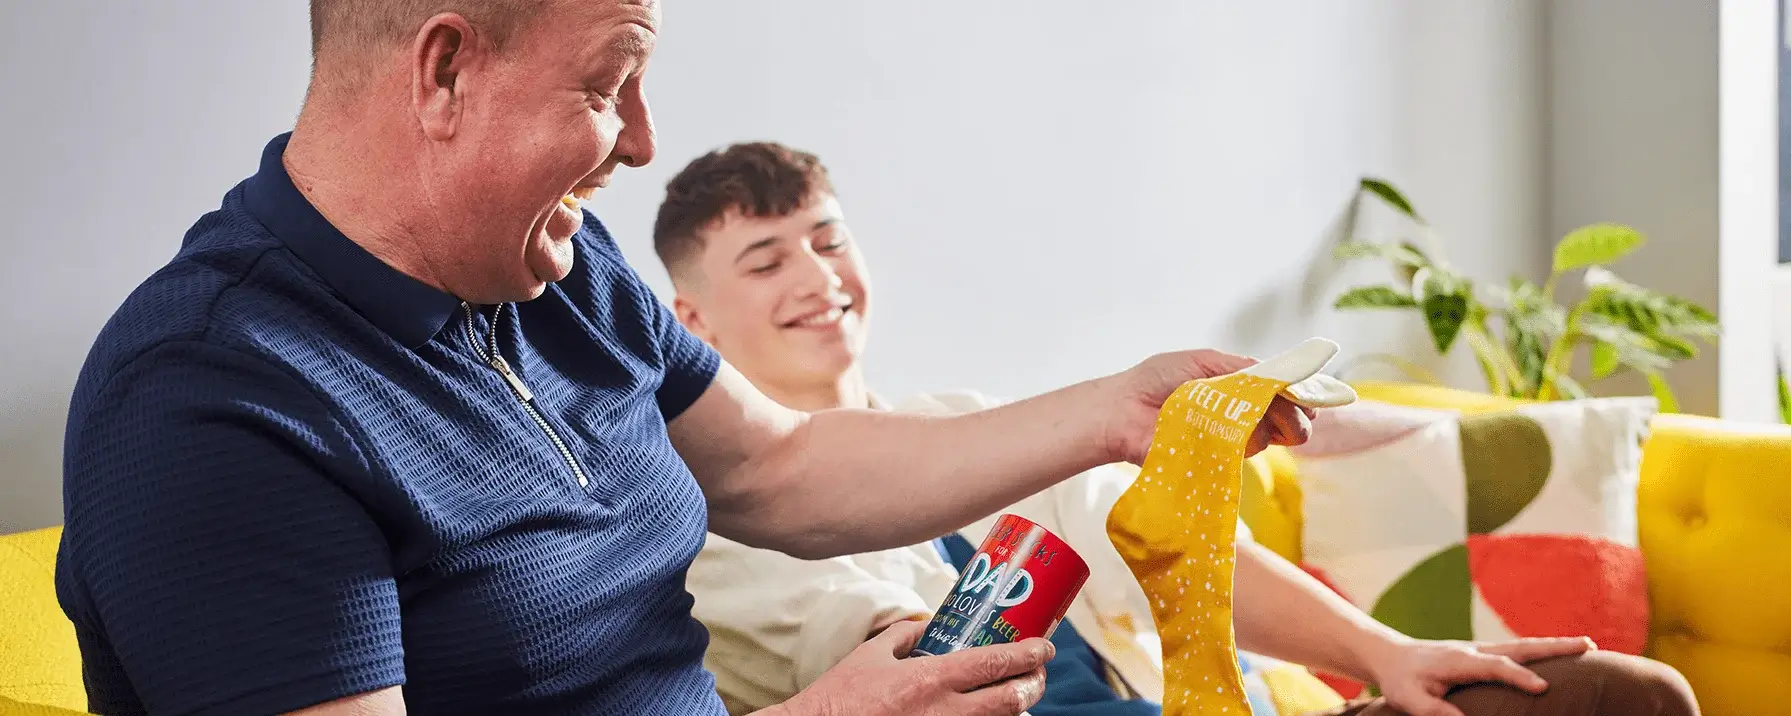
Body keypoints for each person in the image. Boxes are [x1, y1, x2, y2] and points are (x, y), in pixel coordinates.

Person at [53, 3, 1316, 716]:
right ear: (444, 72)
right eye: (612, 83)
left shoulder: (562, 272)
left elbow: (785, 467)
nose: (643, 141)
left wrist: (1116, 409)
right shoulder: (214, 404)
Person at [651, 141, 1704, 716]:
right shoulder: (705, 517)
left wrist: (1389, 655)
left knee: (1626, 696)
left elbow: (1175, 554)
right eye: (767, 260)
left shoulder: (973, 427)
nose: (817, 277)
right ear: (689, 320)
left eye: (828, 239)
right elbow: (879, 650)